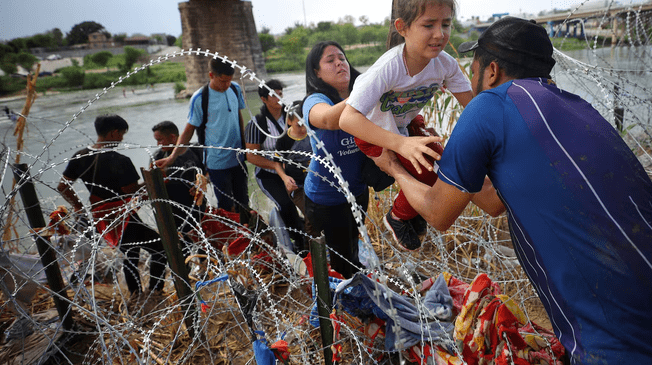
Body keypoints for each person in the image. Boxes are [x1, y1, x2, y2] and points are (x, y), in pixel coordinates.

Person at [372, 17, 652, 364]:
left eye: (471, 66)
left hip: (612, 336)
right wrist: (449, 158)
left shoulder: (488, 106)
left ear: (490, 70)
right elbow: (491, 202)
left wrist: (394, 168)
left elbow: (437, 213)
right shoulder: (577, 107)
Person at [340, 0, 473, 251]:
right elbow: (347, 119)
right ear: (402, 27)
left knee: (440, 163)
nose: (440, 34)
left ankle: (416, 209)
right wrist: (400, 144)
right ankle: (397, 216)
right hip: (373, 132)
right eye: (428, 25)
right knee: (428, 172)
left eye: (446, 24)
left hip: (405, 125)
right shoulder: (388, 69)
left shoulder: (446, 65)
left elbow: (474, 107)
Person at [57, 114, 168, 299]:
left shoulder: (81, 156)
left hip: (102, 216)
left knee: (130, 253)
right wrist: (153, 179)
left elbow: (63, 186)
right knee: (159, 248)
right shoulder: (120, 160)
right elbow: (131, 192)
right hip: (122, 215)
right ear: (113, 133)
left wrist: (79, 207)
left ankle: (136, 295)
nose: (122, 139)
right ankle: (154, 292)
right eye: (121, 134)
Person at [302, 41, 369, 279]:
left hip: (358, 190)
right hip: (326, 199)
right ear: (316, 72)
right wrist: (368, 91)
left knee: (352, 247)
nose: (340, 62)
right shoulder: (315, 100)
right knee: (338, 263)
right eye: (330, 60)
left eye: (342, 57)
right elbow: (329, 119)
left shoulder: (362, 94)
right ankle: (341, 307)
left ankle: (356, 288)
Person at [156, 57, 249, 213]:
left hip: (238, 157)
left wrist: (246, 146)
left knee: (243, 201)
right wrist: (172, 157)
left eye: (229, 80)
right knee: (226, 206)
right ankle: (232, 235)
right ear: (211, 75)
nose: (226, 85)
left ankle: (248, 234)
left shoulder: (234, 88)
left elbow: (238, 116)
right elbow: (188, 131)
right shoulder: (200, 98)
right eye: (222, 81)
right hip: (217, 161)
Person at [245, 80, 305, 251]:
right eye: (274, 94)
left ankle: (308, 235)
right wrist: (276, 166)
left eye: (280, 92)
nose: (279, 97)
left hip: (293, 170)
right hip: (268, 174)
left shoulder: (290, 116)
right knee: (285, 204)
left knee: (309, 202)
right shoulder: (258, 124)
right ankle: (299, 242)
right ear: (264, 99)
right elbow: (251, 156)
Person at [151, 121, 205, 256]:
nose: (158, 144)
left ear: (173, 138)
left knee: (203, 241)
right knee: (183, 245)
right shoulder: (158, 157)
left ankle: (204, 268)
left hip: (197, 205)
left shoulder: (194, 150)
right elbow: (153, 184)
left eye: (160, 140)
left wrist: (201, 182)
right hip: (175, 209)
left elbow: (209, 170)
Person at [275, 100, 313, 241]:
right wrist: (285, 179)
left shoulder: (313, 134)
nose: (304, 128)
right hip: (298, 186)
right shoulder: (284, 141)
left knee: (322, 214)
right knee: (310, 215)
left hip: (316, 182)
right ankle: (312, 249)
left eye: (306, 123)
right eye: (299, 124)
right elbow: (277, 163)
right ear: (289, 122)